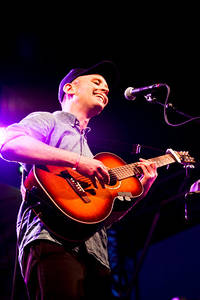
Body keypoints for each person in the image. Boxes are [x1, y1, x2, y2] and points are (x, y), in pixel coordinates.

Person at [0, 60, 158, 299]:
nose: (105, 89)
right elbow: (9, 144)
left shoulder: (92, 156)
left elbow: (102, 219)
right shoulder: (48, 120)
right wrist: (77, 161)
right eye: (97, 82)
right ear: (70, 89)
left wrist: (141, 192)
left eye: (106, 87)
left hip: (97, 258)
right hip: (51, 240)